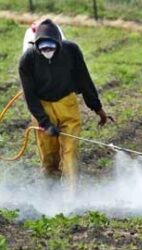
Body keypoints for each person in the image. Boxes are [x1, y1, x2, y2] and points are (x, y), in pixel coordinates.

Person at [19, 19, 109, 196]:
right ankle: (51, 191)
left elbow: (84, 80)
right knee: (49, 153)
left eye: (51, 48)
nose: (48, 52)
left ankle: (71, 194)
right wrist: (45, 123)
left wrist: (98, 109)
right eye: (43, 49)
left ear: (59, 44)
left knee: (70, 149)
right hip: (42, 106)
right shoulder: (27, 60)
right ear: (36, 46)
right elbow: (30, 97)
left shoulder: (71, 51)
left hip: (67, 104)